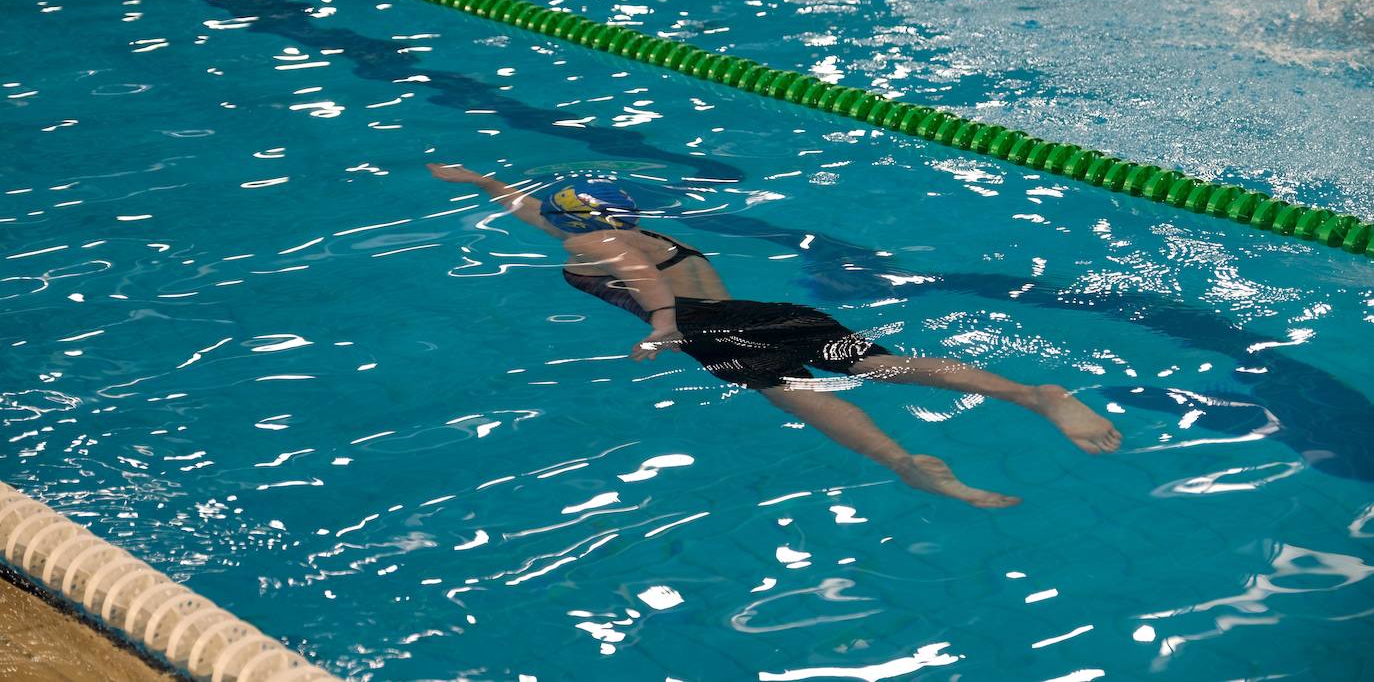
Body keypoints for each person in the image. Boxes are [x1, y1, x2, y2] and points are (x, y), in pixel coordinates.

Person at [428, 163, 1121, 508]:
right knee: (879, 363)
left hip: (713, 331)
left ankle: (901, 461)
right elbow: (539, 215)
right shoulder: (629, 232)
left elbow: (641, 284)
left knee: (791, 392)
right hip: (767, 313)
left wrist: (662, 331)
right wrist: (474, 179)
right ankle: (1032, 394)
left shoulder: (598, 247)